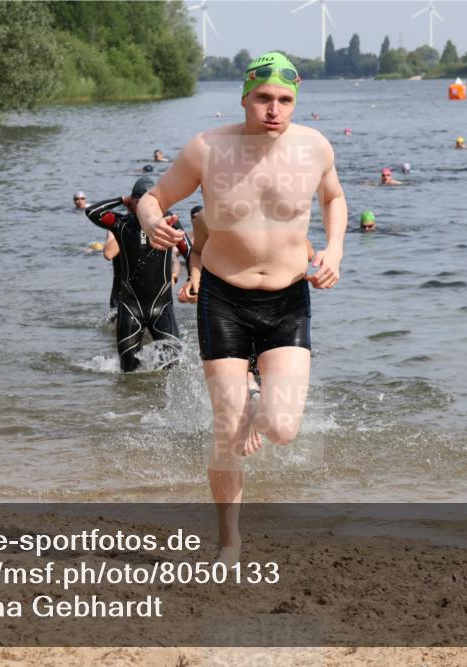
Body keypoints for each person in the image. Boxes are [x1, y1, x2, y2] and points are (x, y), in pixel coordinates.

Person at [138, 51, 346, 564]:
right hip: (224, 298)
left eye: (285, 100)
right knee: (227, 430)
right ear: (244, 97)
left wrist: (335, 250)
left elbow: (334, 199)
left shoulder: (314, 146)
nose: (274, 109)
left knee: (281, 426)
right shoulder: (208, 149)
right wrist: (151, 224)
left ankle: (258, 402)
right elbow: (151, 197)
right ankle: (229, 539)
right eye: (263, 98)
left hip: (288, 298)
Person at [86, 176, 192, 372]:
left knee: (175, 362)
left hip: (162, 307)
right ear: (133, 203)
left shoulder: (169, 223)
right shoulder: (121, 224)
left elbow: (189, 251)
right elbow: (92, 211)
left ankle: (156, 400)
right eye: (139, 202)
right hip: (130, 307)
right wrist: (121, 199)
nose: (146, 208)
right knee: (128, 370)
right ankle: (129, 402)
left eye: (149, 202)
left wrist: (193, 279)